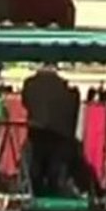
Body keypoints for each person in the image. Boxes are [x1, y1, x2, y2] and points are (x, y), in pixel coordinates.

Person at [20, 60, 75, 198]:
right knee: (53, 165)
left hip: (36, 129)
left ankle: (36, 192)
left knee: (36, 162)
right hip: (58, 131)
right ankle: (52, 193)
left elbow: (25, 102)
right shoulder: (63, 85)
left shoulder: (30, 84)